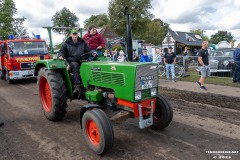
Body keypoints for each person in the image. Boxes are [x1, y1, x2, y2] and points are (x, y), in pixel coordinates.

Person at [59, 29, 96, 97]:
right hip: (72, 60)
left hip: (82, 59)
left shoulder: (82, 42)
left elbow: (87, 50)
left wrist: (92, 54)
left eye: (76, 34)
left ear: (77, 35)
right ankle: (77, 85)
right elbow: (62, 51)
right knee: (75, 66)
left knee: (90, 65)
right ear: (71, 35)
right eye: (73, 34)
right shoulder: (66, 43)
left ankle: (91, 83)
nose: (75, 36)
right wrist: (61, 55)